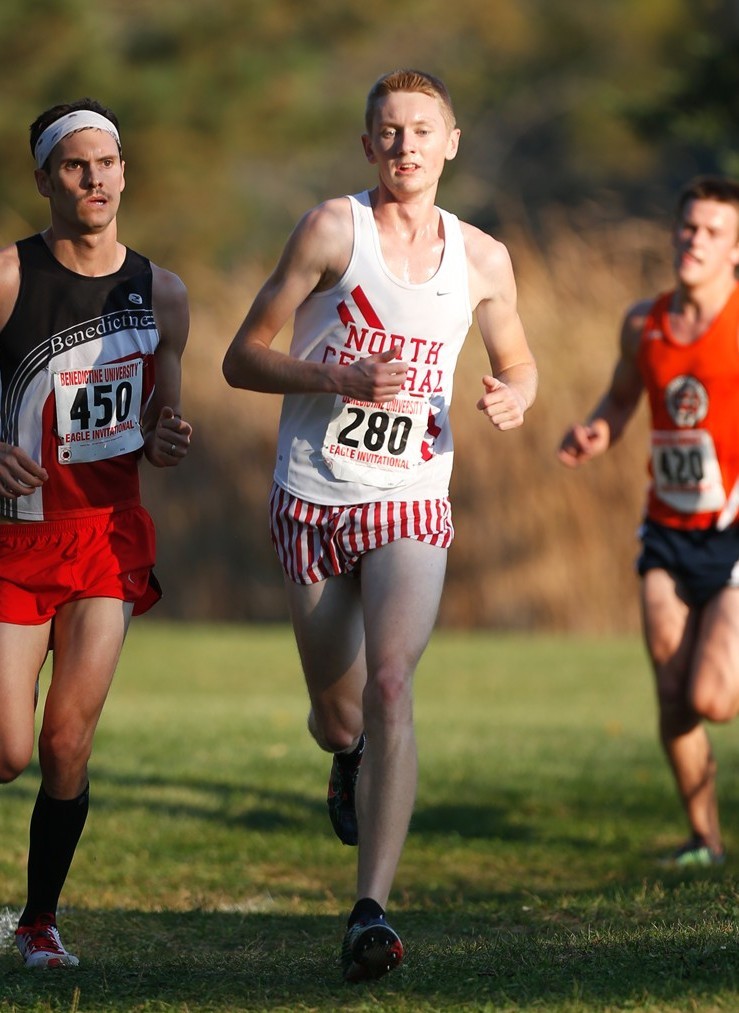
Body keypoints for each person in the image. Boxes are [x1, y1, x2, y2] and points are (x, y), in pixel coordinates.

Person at [223, 68, 537, 981]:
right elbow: (243, 358)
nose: (405, 146)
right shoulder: (332, 229)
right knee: (340, 711)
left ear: (451, 141)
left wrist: (511, 396)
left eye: (420, 130)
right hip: (313, 492)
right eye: (388, 132)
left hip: (411, 493)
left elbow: (518, 363)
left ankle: (371, 909)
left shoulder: (482, 258)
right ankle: (345, 750)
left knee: (394, 679)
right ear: (369, 145)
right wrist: (335, 378)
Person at [0, 98, 193, 969]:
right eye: (75, 165)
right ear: (44, 178)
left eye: (106, 162)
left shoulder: (164, 292)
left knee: (66, 742)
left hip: (104, 540)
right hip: (13, 541)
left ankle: (39, 920)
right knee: (6, 752)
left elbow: (162, 420)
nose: (94, 179)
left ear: (124, 171)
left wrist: (164, 436)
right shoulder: (8, 276)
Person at [558, 175, 739, 867]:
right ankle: (705, 840)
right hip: (664, 528)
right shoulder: (643, 322)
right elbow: (619, 396)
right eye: (687, 227)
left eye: (711, 231)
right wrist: (596, 431)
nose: (693, 240)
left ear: (734, 249)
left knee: (712, 698)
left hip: (729, 534)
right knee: (670, 693)